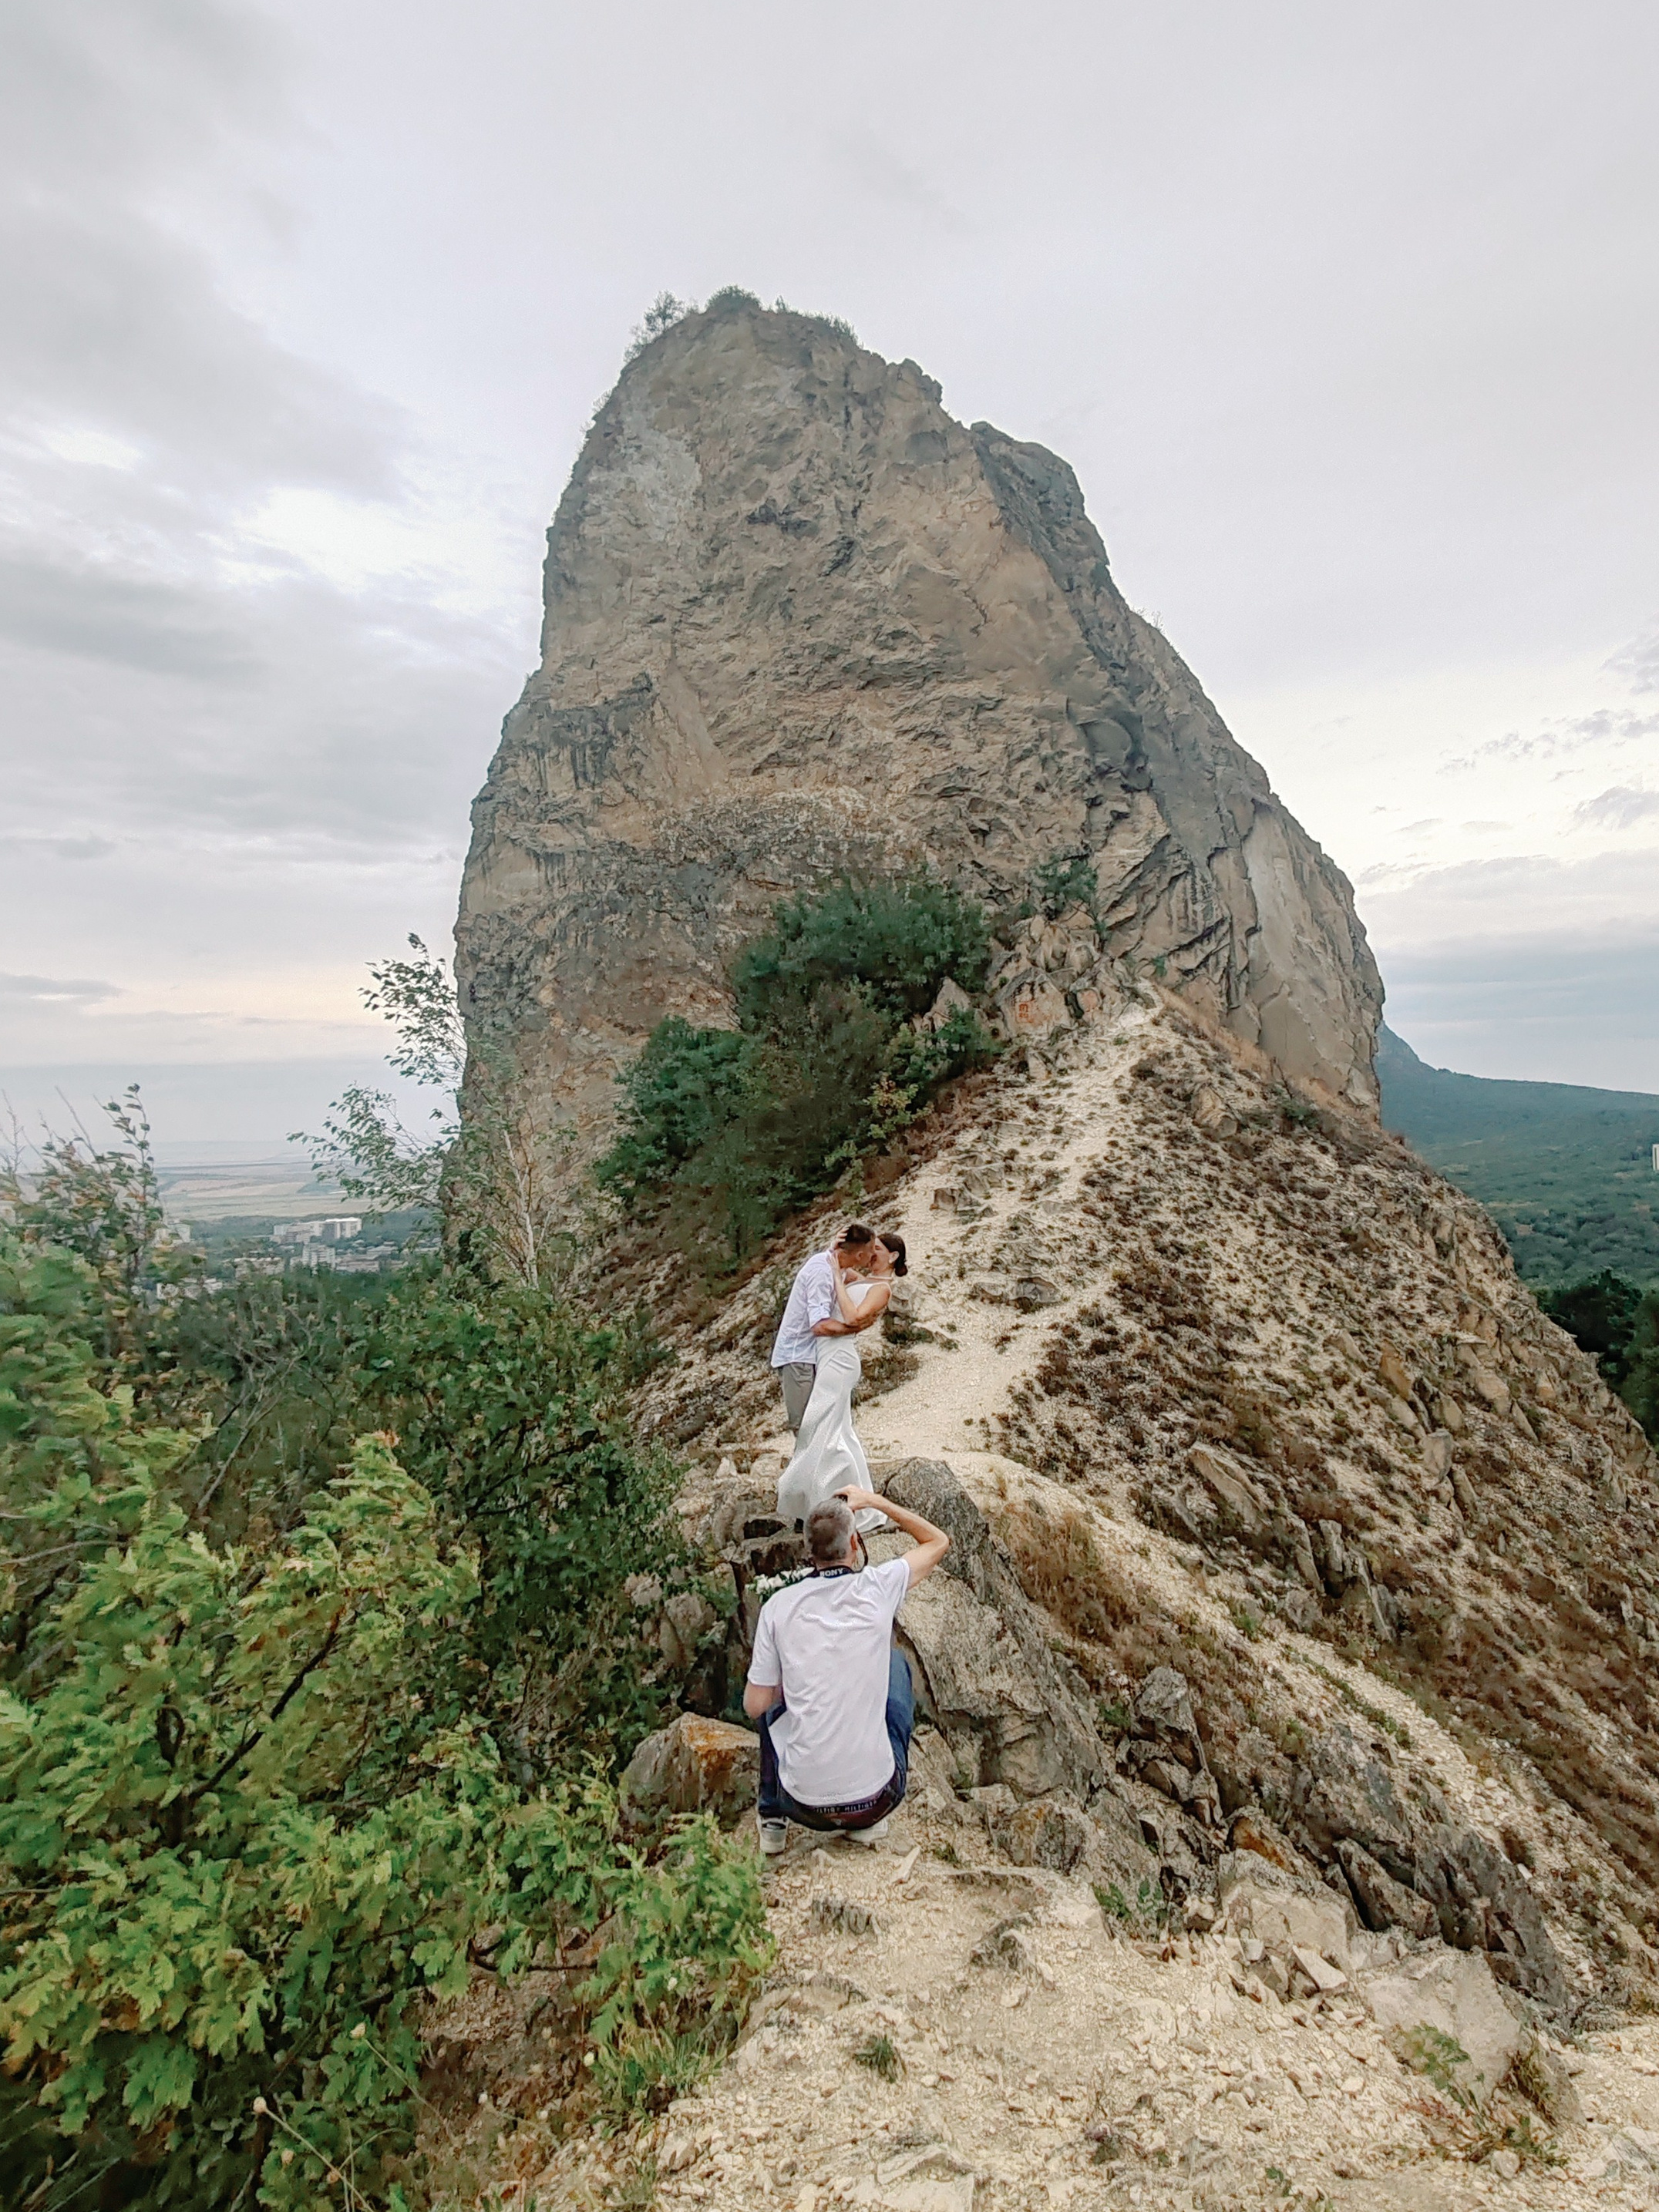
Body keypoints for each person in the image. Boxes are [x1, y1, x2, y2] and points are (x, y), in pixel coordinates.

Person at [744, 1482, 949, 1854]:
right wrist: (874, 1501)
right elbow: (937, 1541)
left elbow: (755, 1706)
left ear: (808, 1551)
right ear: (854, 1544)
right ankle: (864, 1819)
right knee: (896, 1664)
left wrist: (789, 1689)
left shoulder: (778, 1607)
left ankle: (772, 1820)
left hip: (801, 1805)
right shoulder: (878, 1587)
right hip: (877, 1800)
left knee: (769, 1693)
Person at [776, 1231, 907, 1535]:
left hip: (839, 1360)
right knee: (833, 1431)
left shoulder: (882, 1289)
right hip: (826, 1357)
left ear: (893, 1257)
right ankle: (832, 1501)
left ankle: (829, 1505)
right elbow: (841, 1261)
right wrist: (835, 1251)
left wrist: (837, 1277)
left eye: (877, 1249)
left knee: (821, 1429)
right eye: (870, 1249)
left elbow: (851, 1316)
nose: (872, 1254)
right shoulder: (864, 1279)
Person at [769, 1222, 882, 1435]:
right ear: (859, 1255)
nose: (873, 1255)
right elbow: (819, 1326)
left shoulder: (837, 1266)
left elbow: (860, 1282)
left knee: (824, 1422)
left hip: (816, 1354)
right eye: (871, 1251)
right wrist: (854, 1328)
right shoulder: (822, 1272)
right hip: (799, 1356)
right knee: (806, 1426)